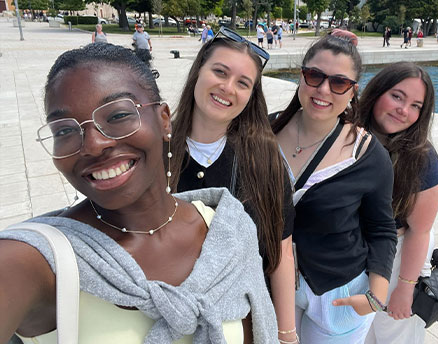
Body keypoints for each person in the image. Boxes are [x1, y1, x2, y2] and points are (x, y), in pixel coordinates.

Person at [0, 43, 277, 344]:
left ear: (164, 119)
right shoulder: (32, 261)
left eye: (117, 115)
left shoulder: (228, 231)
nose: (93, 145)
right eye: (65, 130)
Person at [169, 27, 297, 344]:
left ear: (251, 95)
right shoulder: (156, 151)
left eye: (243, 83)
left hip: (244, 324)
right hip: (171, 319)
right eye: (219, 72)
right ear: (198, 71)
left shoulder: (263, 160)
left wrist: (287, 334)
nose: (228, 88)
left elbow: (281, 251)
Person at [270, 33, 397, 344]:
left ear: (353, 91)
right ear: (300, 76)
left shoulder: (367, 153)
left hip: (339, 292)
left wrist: (376, 296)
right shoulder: (266, 132)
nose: (323, 90)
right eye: (314, 76)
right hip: (273, 282)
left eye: (338, 82)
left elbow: (382, 227)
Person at [360, 61, 438, 344]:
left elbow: (420, 230)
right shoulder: (347, 133)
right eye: (397, 96)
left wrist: (405, 289)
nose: (403, 110)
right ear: (377, 92)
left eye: (416, 105)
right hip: (349, 253)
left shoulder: (421, 157)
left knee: (392, 334)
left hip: (397, 257)